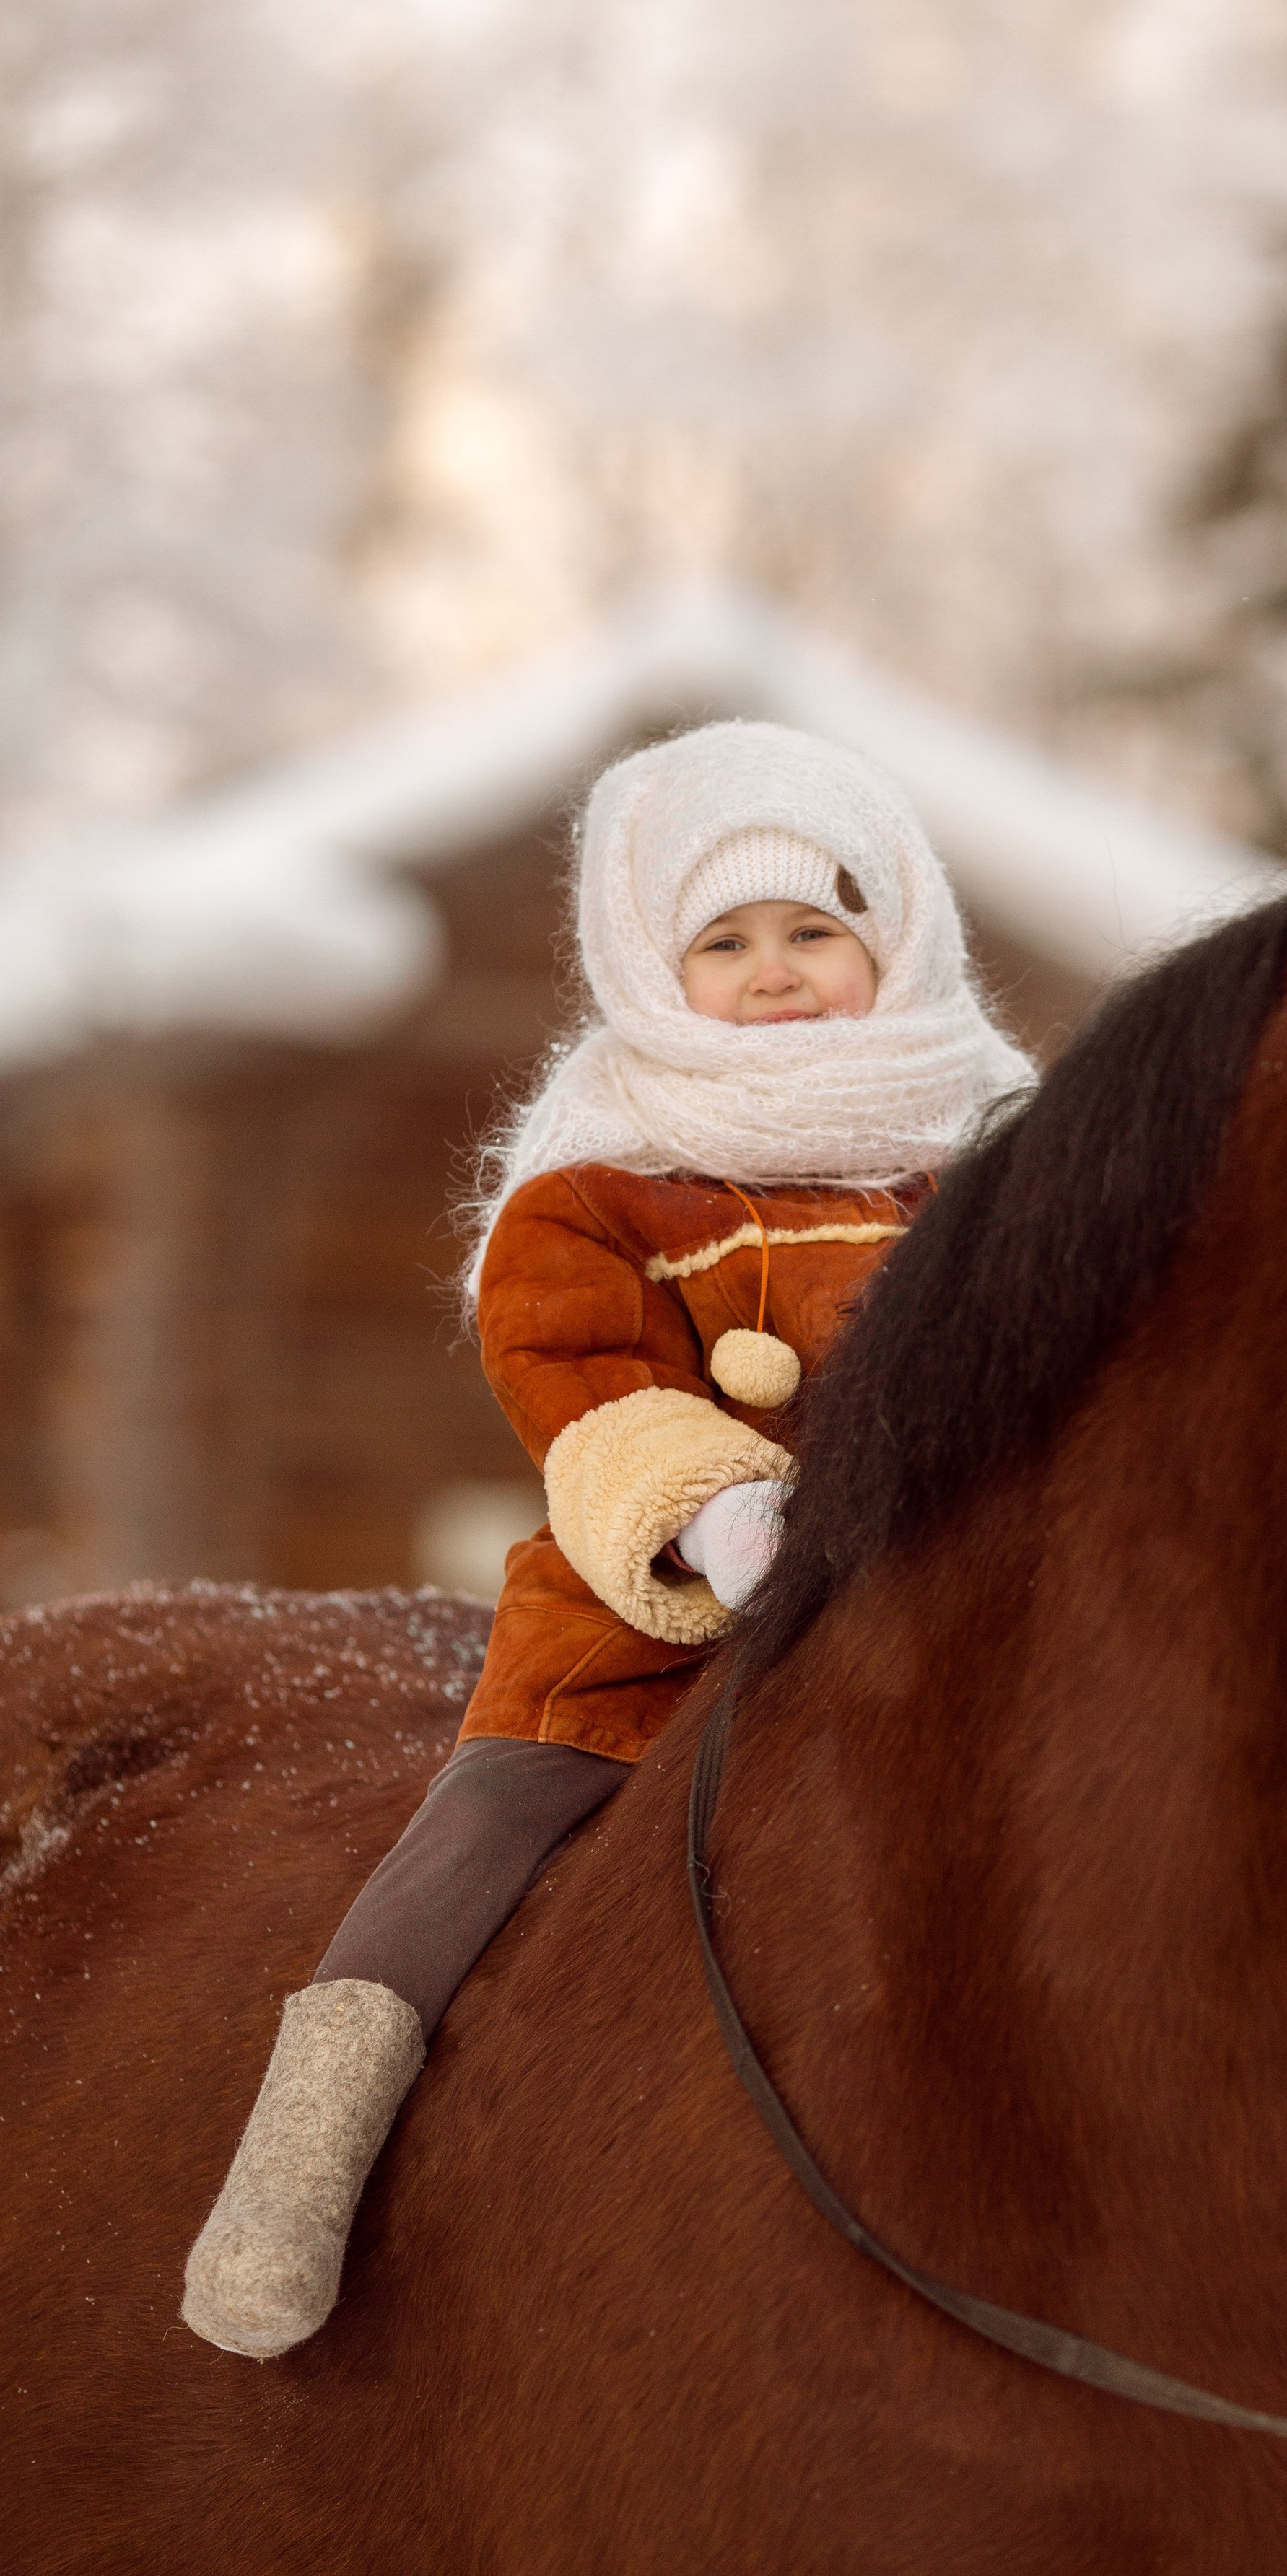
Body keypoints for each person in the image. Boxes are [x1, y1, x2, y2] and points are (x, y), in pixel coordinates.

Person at [180, 719, 1034, 2360]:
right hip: (652, 1613)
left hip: (955, 1597)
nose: (775, 974)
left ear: (893, 938)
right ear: (655, 968)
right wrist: (723, 1514)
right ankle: (304, 2149)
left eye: (813, 934)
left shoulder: (996, 1152)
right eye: (723, 943)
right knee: (487, 1827)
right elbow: (573, 1380)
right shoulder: (600, 1185)